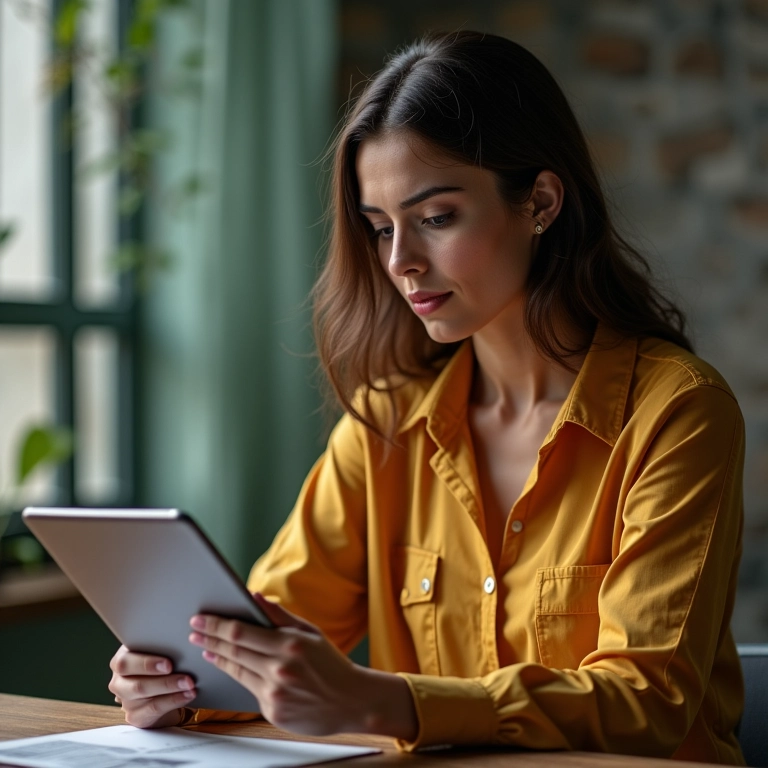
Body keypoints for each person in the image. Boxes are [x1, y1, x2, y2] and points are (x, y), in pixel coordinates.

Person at [108, 31, 745, 764]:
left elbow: (648, 700)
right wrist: (181, 684)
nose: (401, 262)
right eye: (380, 229)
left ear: (539, 201)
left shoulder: (678, 413)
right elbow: (265, 641)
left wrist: (388, 700)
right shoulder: (383, 426)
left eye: (436, 218)